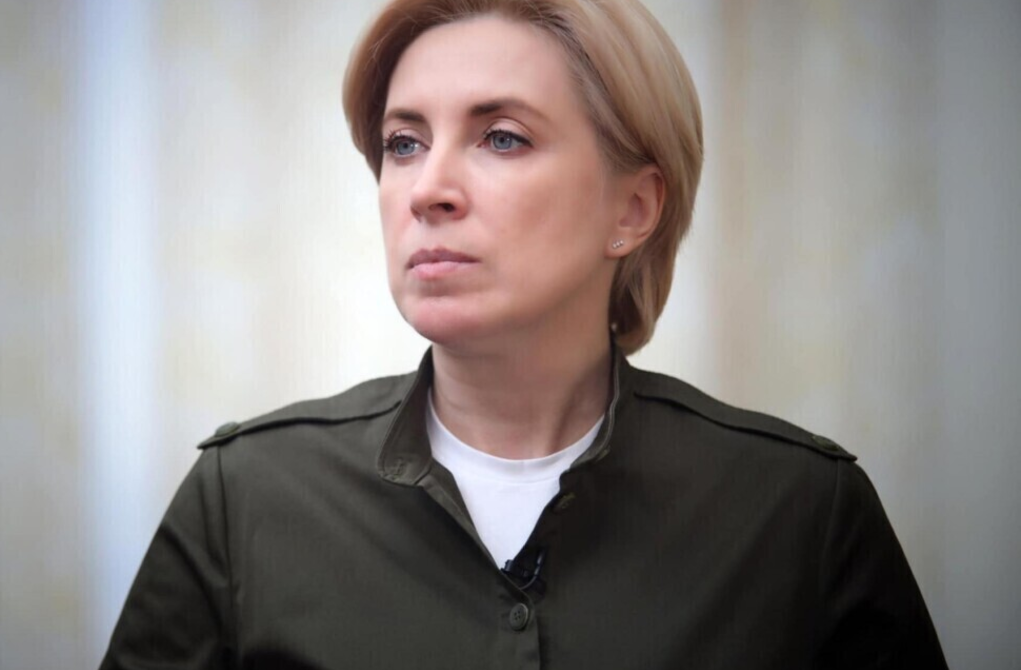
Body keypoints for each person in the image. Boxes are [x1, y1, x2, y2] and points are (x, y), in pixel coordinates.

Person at [100, 0, 947, 667]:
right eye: (403, 143)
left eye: (501, 138)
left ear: (633, 209)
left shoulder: (801, 515)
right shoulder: (243, 500)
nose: (427, 189)